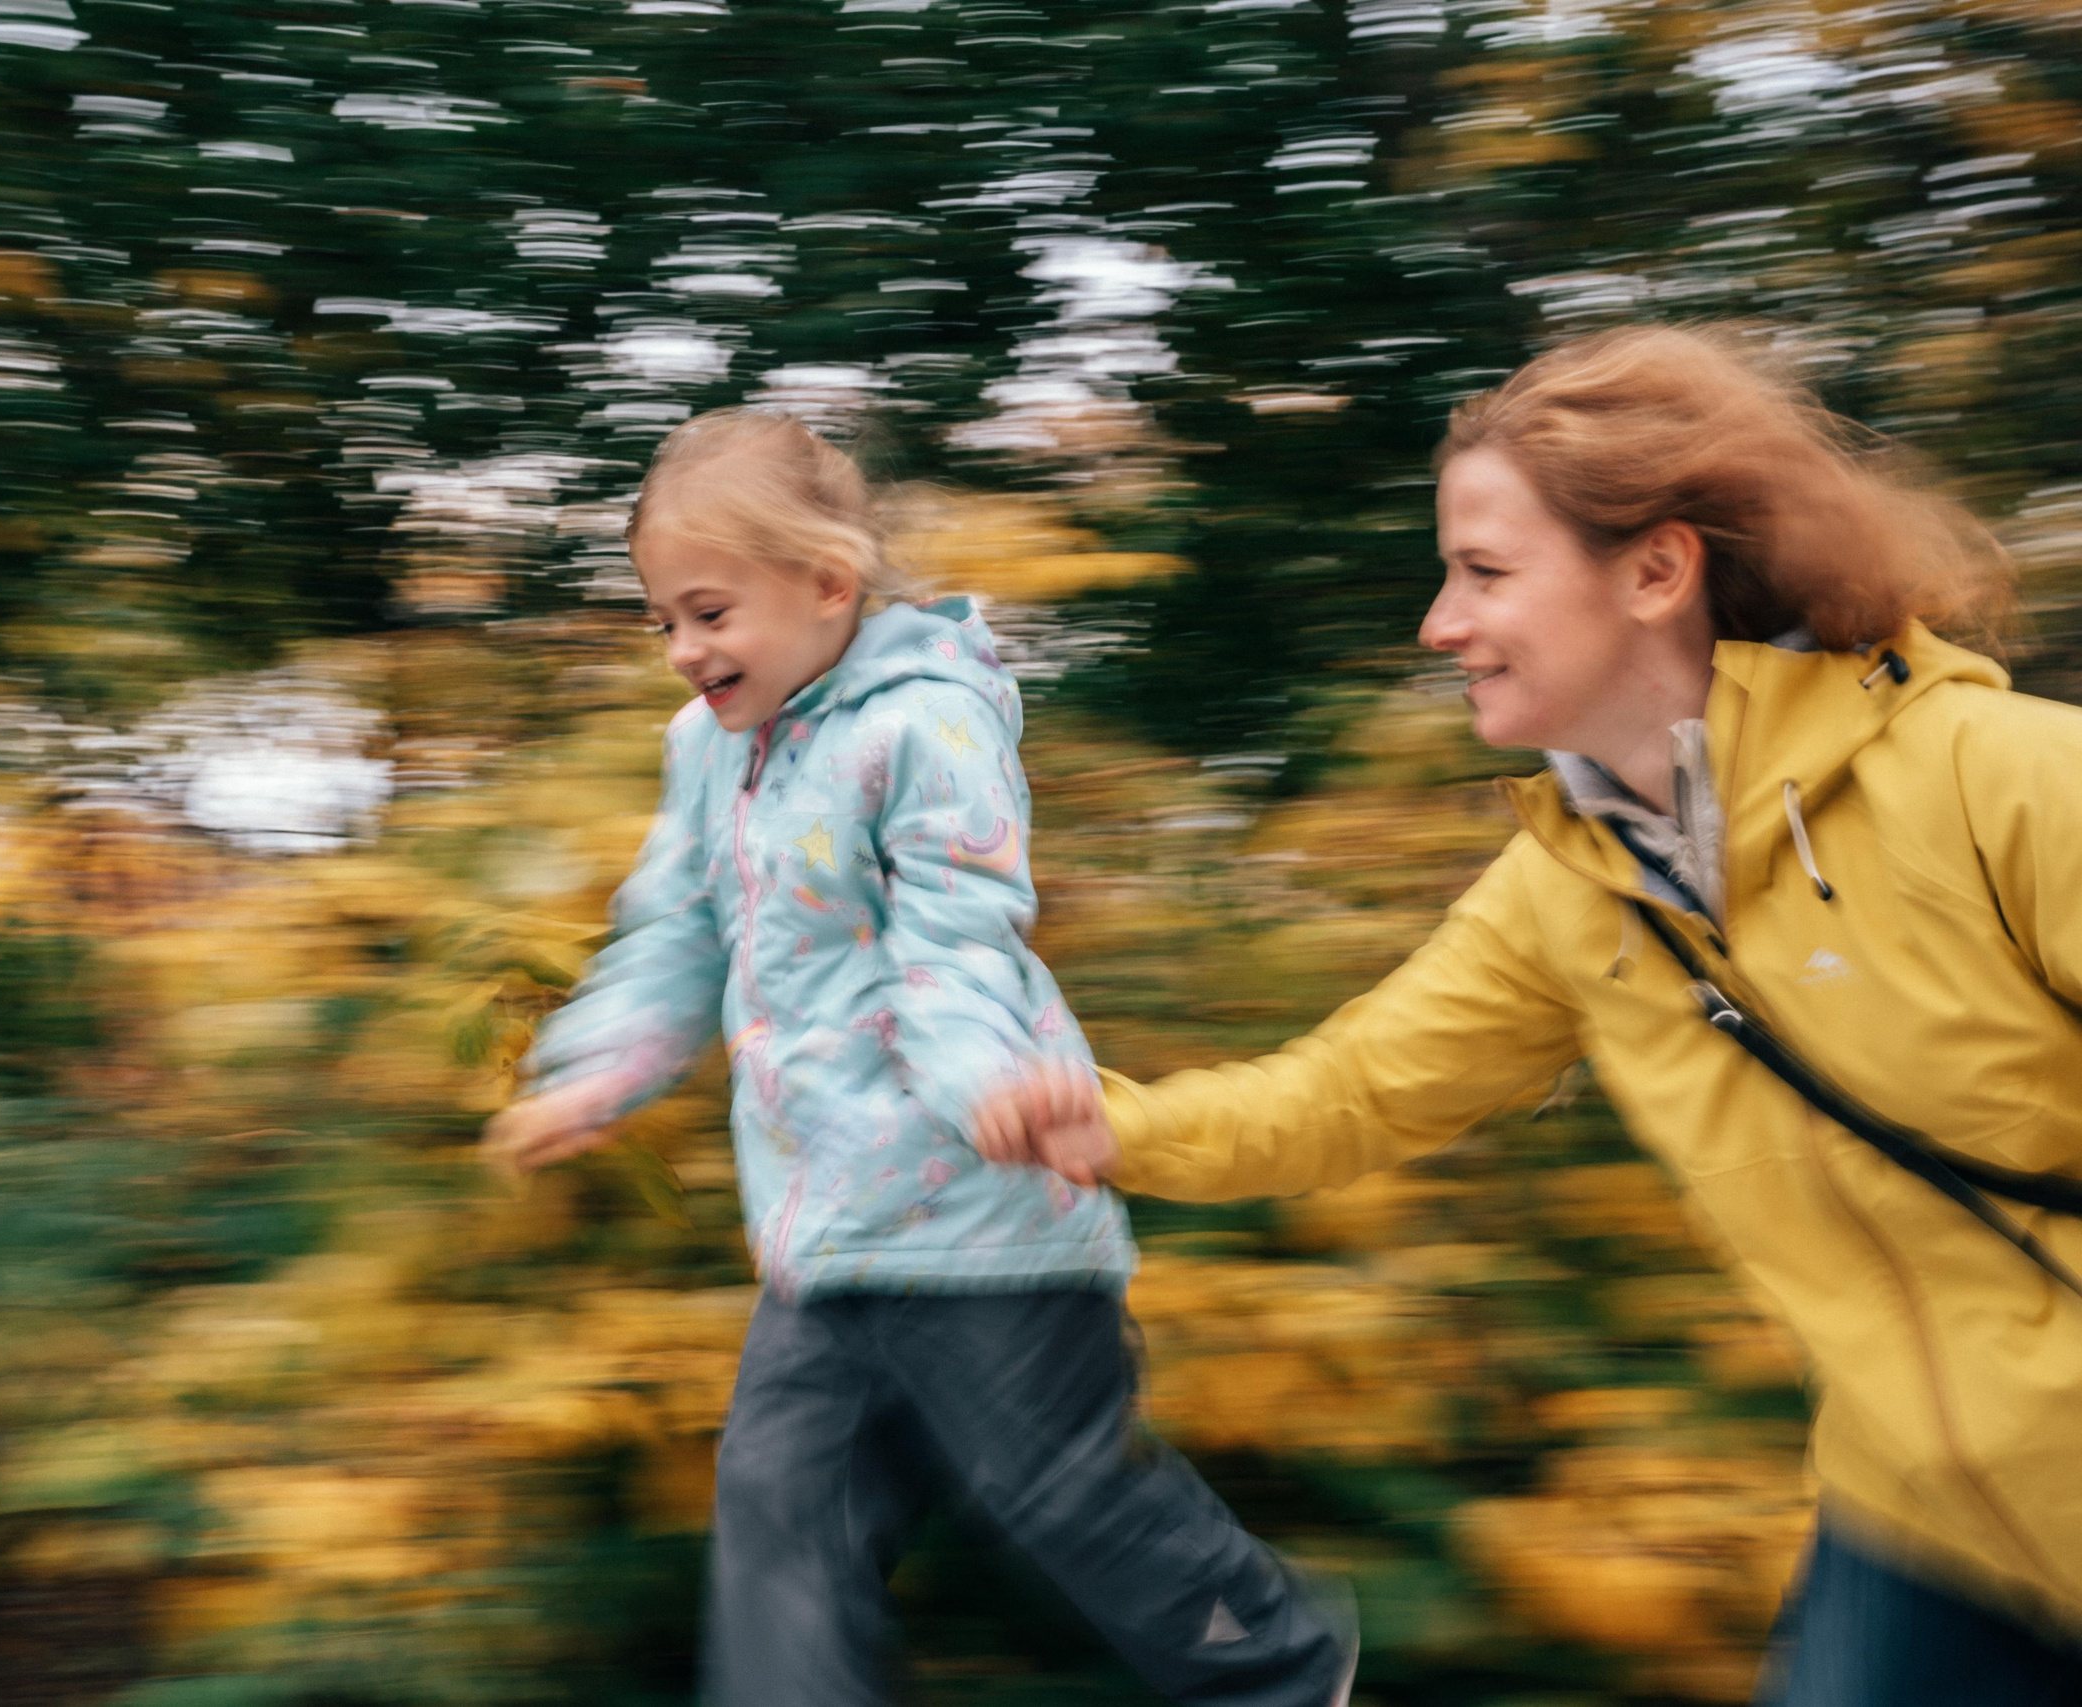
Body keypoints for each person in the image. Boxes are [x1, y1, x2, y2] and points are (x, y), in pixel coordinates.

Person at [970, 324, 2082, 1707]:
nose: (1441, 623)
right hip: (1923, 1523)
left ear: (1655, 571)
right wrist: (1107, 1123)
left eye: (1486, 573)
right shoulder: (1569, 888)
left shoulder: (1998, 781)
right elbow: (1352, 1093)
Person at [483, 408, 1354, 1707]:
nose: (682, 650)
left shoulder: (928, 726)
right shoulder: (703, 757)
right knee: (779, 1518)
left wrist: (987, 1087)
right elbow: (671, 931)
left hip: (983, 1219)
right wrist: (589, 1072)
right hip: (823, 1236)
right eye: (660, 618)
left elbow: (961, 940)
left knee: (1058, 1493)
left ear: (827, 583)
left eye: (709, 613)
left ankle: (1283, 1664)